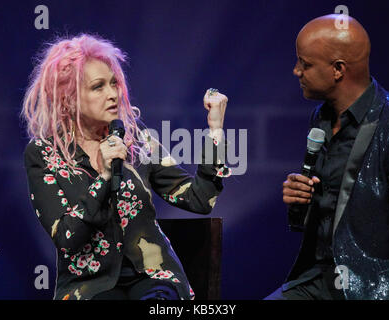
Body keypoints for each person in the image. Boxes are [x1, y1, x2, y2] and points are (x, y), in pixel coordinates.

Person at [21, 34, 231, 300]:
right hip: (89, 285)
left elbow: (200, 199)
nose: (112, 94)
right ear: (69, 99)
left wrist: (215, 130)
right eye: (98, 87)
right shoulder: (44, 154)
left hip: (153, 278)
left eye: (114, 83)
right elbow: (67, 238)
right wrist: (105, 177)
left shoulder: (137, 140)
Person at [265, 14, 389, 300]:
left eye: (305, 64)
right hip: (319, 278)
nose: (296, 71)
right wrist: (302, 201)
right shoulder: (321, 118)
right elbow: (331, 214)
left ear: (338, 70)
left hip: (367, 288)